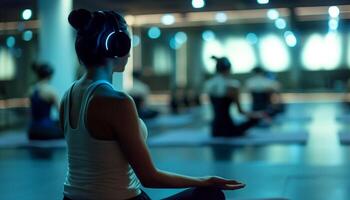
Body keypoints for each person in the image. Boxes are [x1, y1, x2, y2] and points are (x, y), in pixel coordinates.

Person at [61, 9, 245, 200]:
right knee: (211, 195)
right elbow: (150, 177)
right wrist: (203, 181)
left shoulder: (68, 95)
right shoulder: (117, 101)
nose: (130, 54)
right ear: (118, 45)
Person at [204, 56, 265, 137]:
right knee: (257, 118)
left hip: (214, 130)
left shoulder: (209, 84)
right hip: (228, 130)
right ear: (229, 69)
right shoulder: (233, 86)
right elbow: (241, 112)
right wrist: (257, 115)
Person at [28, 63, 63, 140]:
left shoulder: (31, 90)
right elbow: (61, 113)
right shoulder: (51, 91)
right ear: (50, 76)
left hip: (32, 131)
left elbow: (31, 113)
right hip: (46, 131)